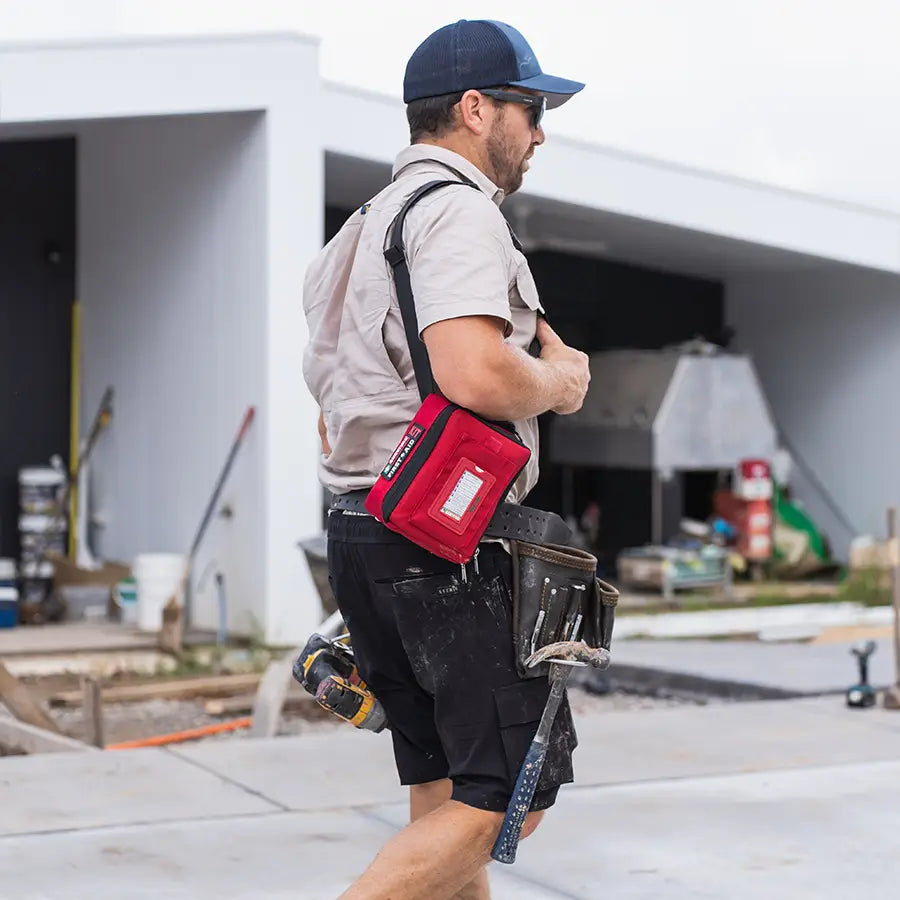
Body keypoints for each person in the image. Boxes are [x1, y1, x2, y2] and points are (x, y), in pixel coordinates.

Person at [302, 19, 591, 900]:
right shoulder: (459, 212)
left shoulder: (358, 230)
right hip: (445, 537)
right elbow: (473, 369)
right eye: (531, 109)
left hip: (365, 530)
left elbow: (331, 407)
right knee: (509, 794)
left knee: (445, 792)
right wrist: (558, 382)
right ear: (475, 109)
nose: (539, 133)